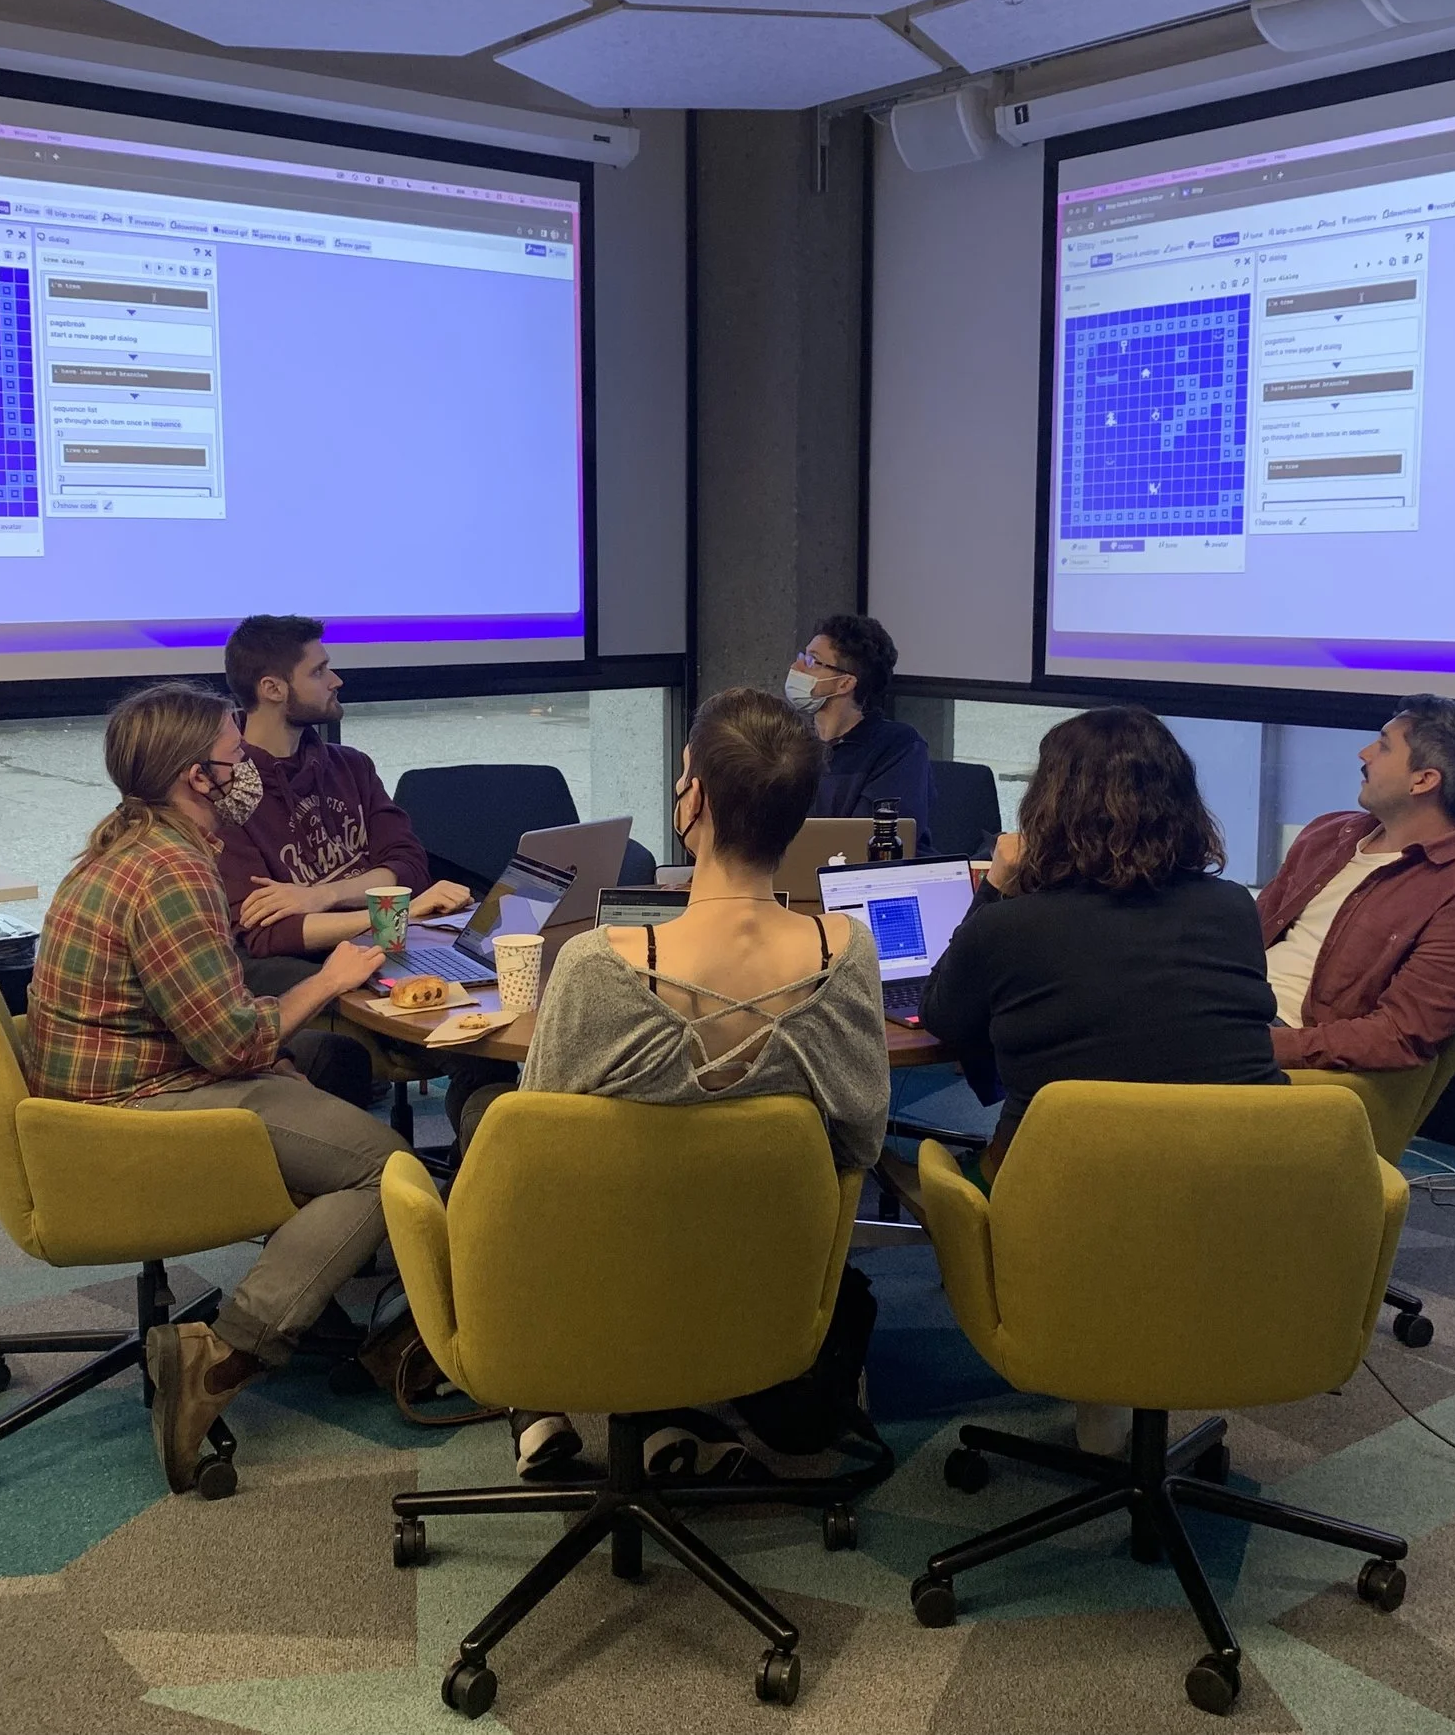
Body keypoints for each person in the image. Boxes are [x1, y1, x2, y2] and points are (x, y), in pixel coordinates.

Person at [482, 688, 890, 1480]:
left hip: (605, 1278)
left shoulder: (599, 963)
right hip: (765, 1280)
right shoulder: (850, 953)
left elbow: (538, 1150)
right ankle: (672, 1411)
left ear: (692, 798)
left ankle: (543, 1405)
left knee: (485, 1113)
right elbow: (863, 1139)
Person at [25, 680, 404, 1491]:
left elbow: (204, 1019)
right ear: (199, 777)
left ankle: (318, 1310)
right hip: (139, 1114)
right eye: (237, 757)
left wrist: (278, 1052)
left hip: (102, 1101)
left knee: (317, 1088)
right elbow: (233, 1040)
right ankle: (225, 1352)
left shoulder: (123, 852)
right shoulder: (171, 871)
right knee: (390, 1169)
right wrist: (330, 981)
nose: (249, 771)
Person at [920, 703, 1281, 1459]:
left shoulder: (1012, 924)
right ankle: (1126, 1390)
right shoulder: (1230, 910)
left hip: (1061, 1208)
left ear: (1047, 805)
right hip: (1240, 1199)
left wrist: (996, 890)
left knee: (953, 1160)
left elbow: (943, 1017)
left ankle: (1098, 1378)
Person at [216, 615, 476, 1109]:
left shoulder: (350, 766)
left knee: (476, 1027)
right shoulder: (231, 793)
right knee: (451, 1027)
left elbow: (407, 866)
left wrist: (323, 895)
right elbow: (268, 934)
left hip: (384, 945)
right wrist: (393, 912)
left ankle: (490, 1150)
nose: (335, 680)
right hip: (306, 968)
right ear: (272, 688)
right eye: (319, 671)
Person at [1258, 696, 1455, 1072]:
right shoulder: (1328, 833)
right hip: (1228, 1004)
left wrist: (1259, 1046)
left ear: (1424, 780)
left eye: (1382, 745)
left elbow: (1396, 1037)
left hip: (1284, 1042)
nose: (1364, 754)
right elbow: (1249, 934)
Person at [790, 614, 938, 853]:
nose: (796, 668)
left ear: (845, 683)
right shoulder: (789, 742)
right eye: (801, 656)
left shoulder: (899, 747)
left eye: (811, 661)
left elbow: (872, 842)